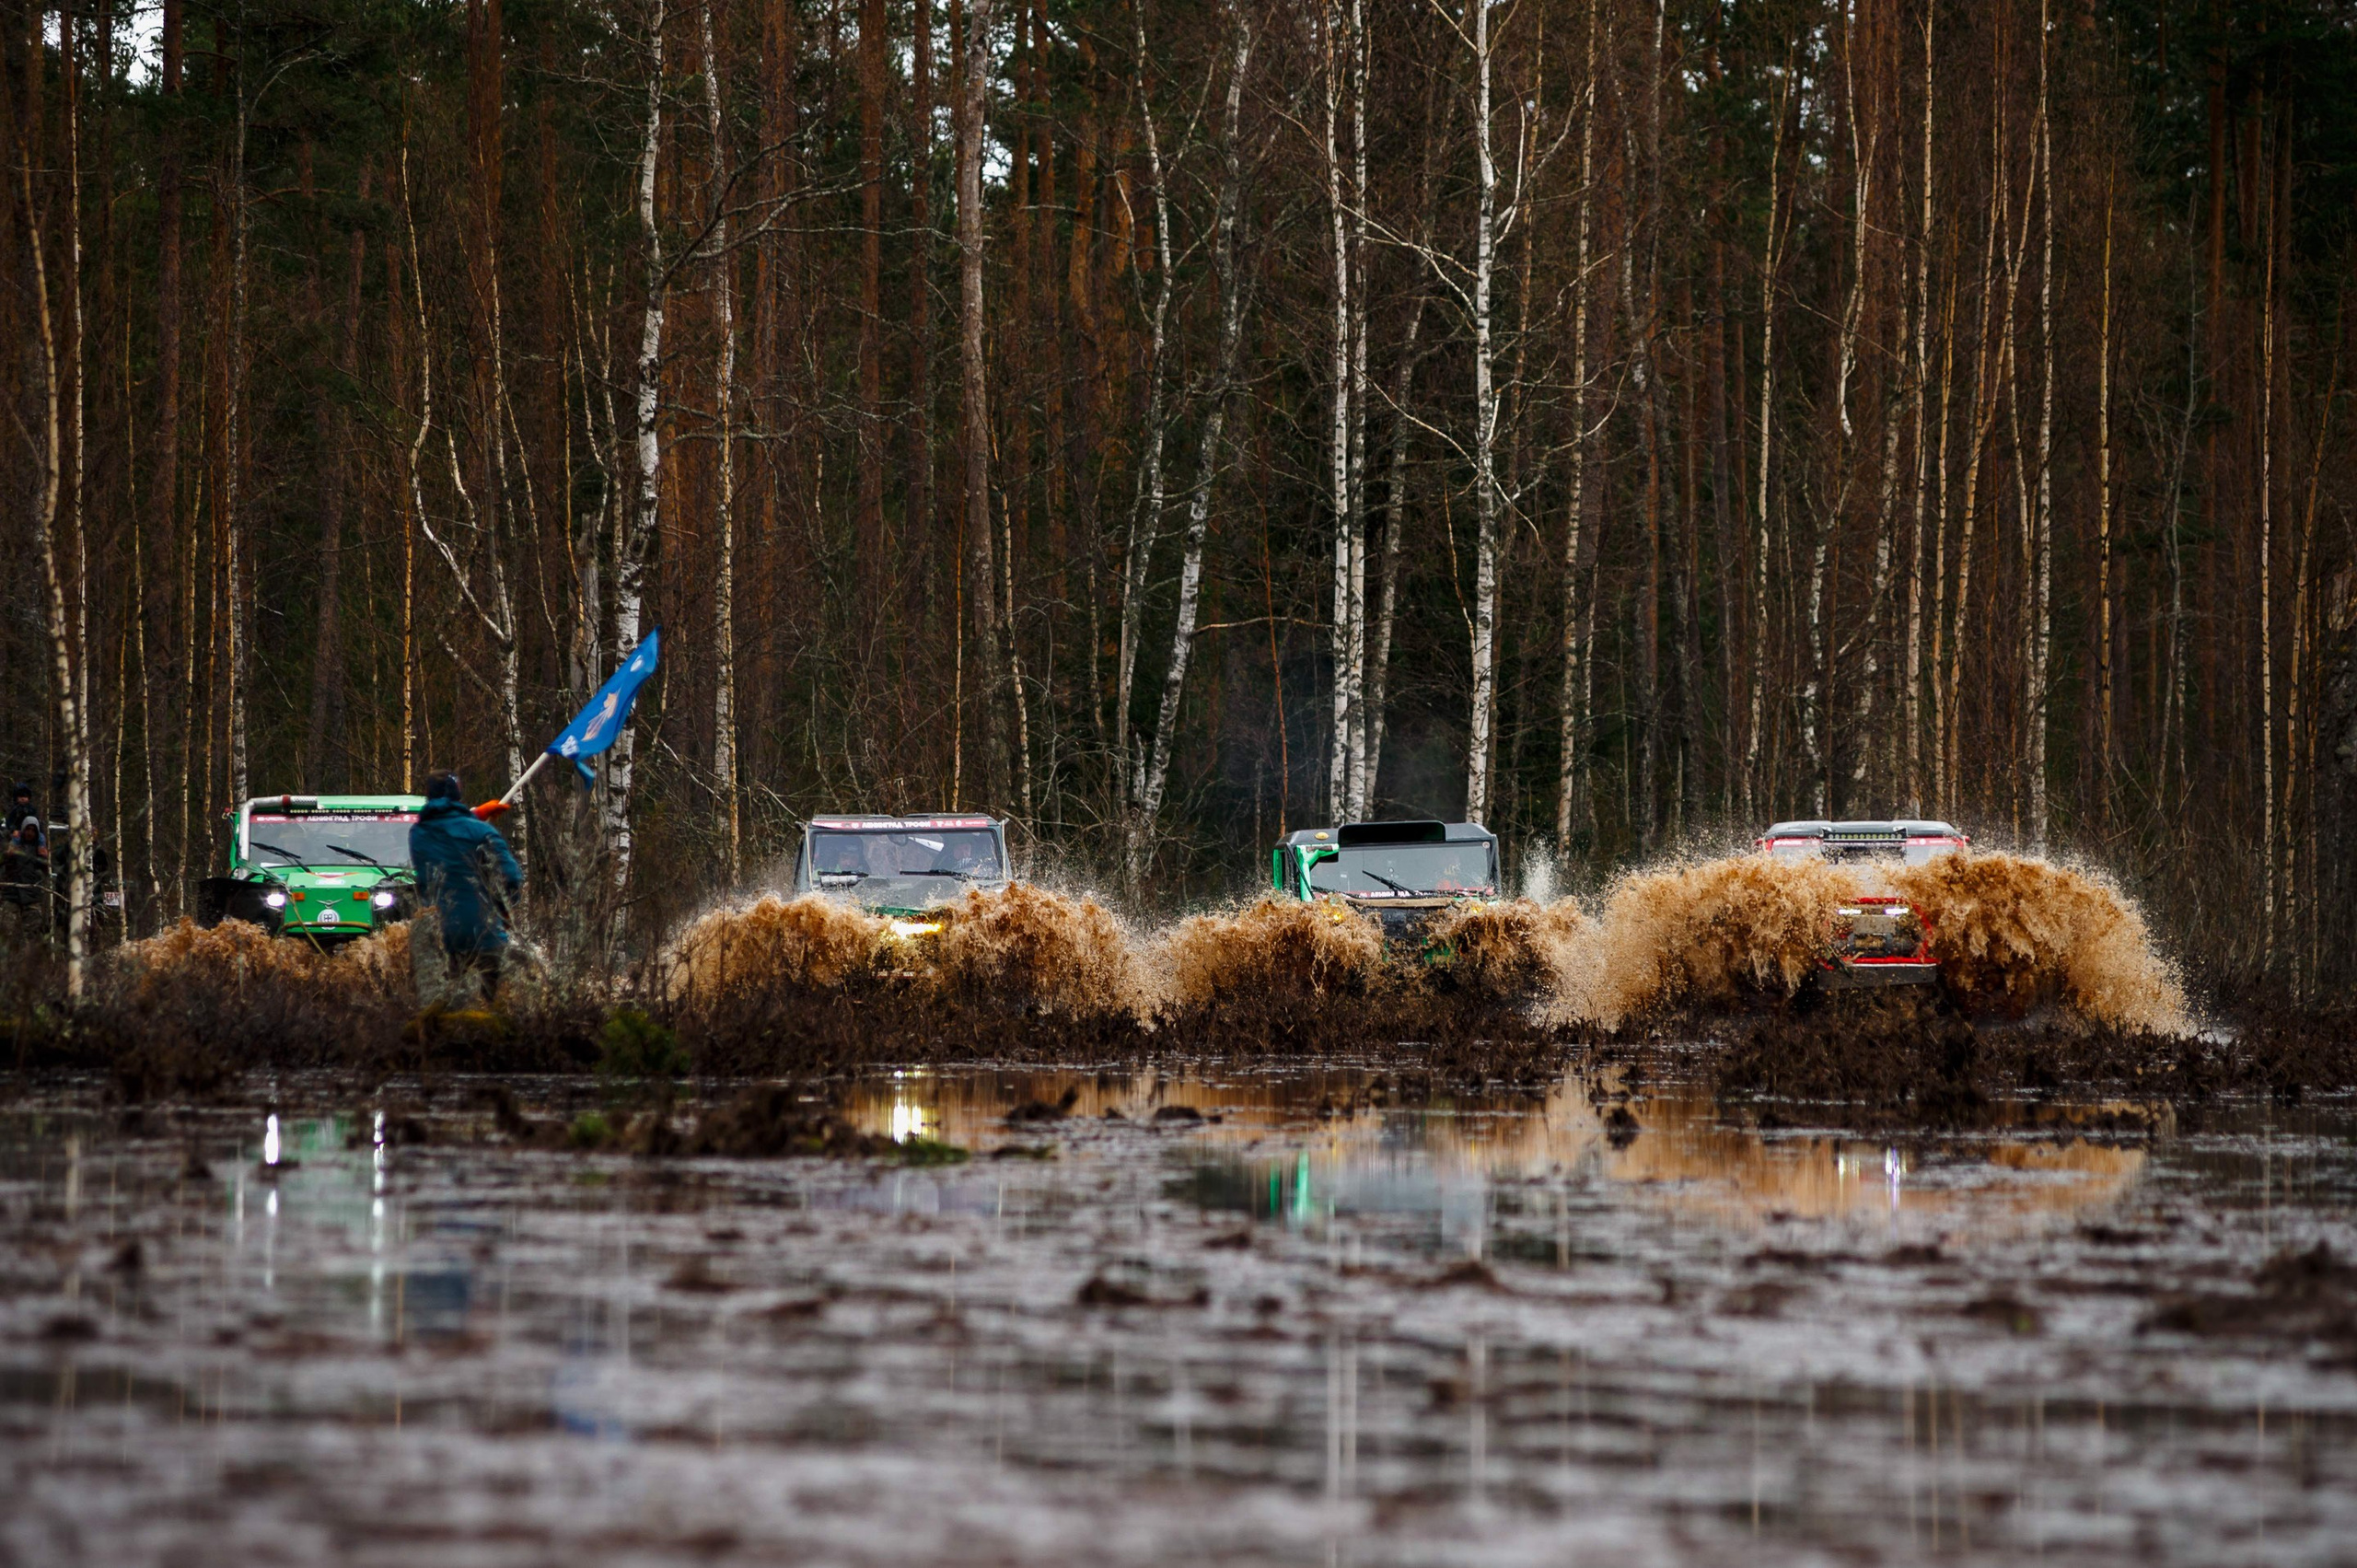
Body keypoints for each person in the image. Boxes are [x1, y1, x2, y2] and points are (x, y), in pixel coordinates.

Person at [409, 770, 524, 1003]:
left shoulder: (417, 834)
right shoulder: (482, 832)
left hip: (439, 937)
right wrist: (505, 910)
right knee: (494, 1006)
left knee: (447, 1007)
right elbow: (510, 878)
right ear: (458, 793)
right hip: (484, 931)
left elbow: (445, 828)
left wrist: (475, 814)